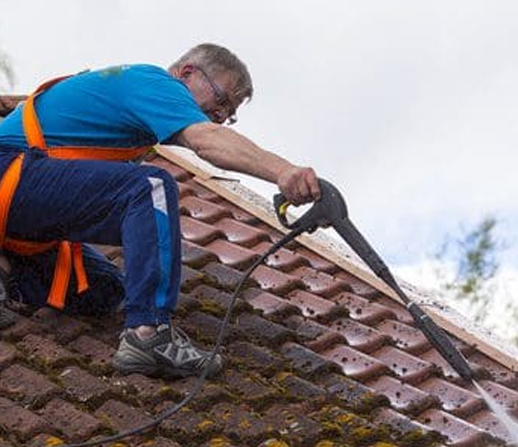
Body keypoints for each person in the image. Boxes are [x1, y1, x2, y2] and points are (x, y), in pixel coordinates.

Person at [0, 43, 320, 378]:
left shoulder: (124, 107)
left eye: (230, 113)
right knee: (149, 188)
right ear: (187, 73)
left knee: (104, 291)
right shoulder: (154, 82)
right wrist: (284, 171)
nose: (222, 117)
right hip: (10, 174)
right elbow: (205, 141)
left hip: (23, 202)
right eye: (222, 100)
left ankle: (8, 271)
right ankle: (148, 334)